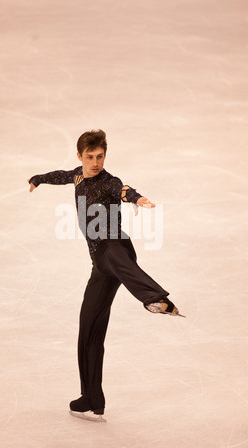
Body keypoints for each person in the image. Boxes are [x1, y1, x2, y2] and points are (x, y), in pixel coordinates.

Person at [28, 129, 181, 422]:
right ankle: (91, 397)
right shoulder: (76, 175)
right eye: (90, 157)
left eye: (100, 156)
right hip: (100, 264)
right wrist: (38, 178)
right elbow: (59, 175)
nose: (96, 162)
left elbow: (122, 190)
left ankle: (155, 299)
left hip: (115, 247)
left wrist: (137, 198)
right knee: (89, 328)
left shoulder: (108, 182)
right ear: (80, 157)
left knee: (115, 259)